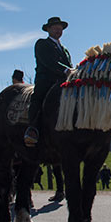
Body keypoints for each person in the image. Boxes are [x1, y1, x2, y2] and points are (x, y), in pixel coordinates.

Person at [24, 17, 72, 147]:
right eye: (55, 28)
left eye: (60, 28)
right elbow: (48, 62)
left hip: (63, 82)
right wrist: (65, 70)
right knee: (38, 98)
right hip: (46, 80)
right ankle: (32, 129)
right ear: (48, 29)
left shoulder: (65, 50)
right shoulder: (42, 44)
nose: (58, 30)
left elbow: (69, 65)